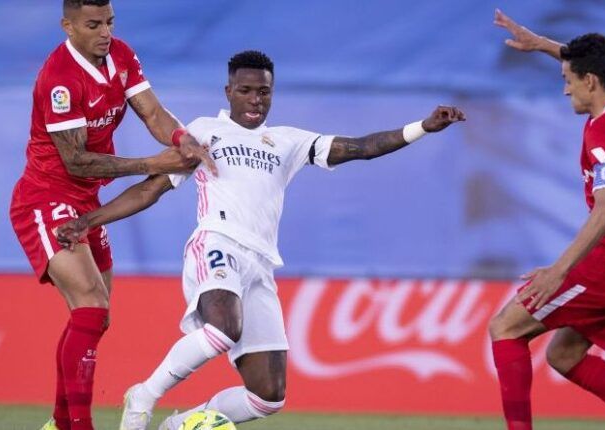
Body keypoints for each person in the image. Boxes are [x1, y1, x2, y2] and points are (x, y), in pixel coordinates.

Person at [56, 50, 465, 430]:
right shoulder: (203, 132)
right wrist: (90, 220)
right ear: (229, 91)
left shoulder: (286, 140)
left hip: (260, 263)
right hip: (217, 241)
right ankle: (144, 397)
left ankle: (181, 425)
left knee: (268, 396)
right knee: (222, 330)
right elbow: (151, 189)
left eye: (264, 92)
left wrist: (422, 128)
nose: (255, 100)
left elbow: (359, 148)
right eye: (246, 91)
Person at [8, 1, 216, 429]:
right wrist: (153, 164)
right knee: (90, 302)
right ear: (68, 26)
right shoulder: (59, 80)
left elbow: (153, 113)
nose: (104, 32)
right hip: (46, 198)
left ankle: (59, 423)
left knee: (96, 316)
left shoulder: (120, 54)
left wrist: (183, 139)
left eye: (109, 22)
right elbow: (77, 162)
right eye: (92, 24)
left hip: (85, 201)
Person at [489, 9, 605, 430]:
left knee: (505, 326)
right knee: (564, 355)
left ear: (589, 82)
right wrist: (540, 43)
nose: (565, 91)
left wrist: (558, 272)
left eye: (567, 81)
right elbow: (595, 63)